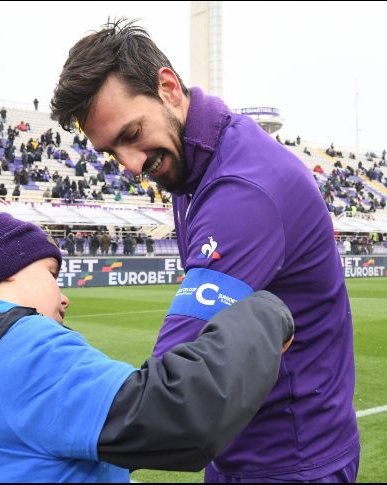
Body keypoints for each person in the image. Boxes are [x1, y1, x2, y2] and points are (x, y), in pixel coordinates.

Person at [50, 19, 359, 482]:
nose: (132, 165)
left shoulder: (243, 189)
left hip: (290, 461)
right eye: (113, 151)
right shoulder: (190, 161)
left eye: (132, 134)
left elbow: (168, 398)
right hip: (240, 447)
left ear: (169, 88)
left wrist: (40, 422)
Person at [0, 207, 294, 483]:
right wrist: (264, 313)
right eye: (50, 273)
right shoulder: (21, 345)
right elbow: (178, 416)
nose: (64, 297)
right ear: (3, 273)